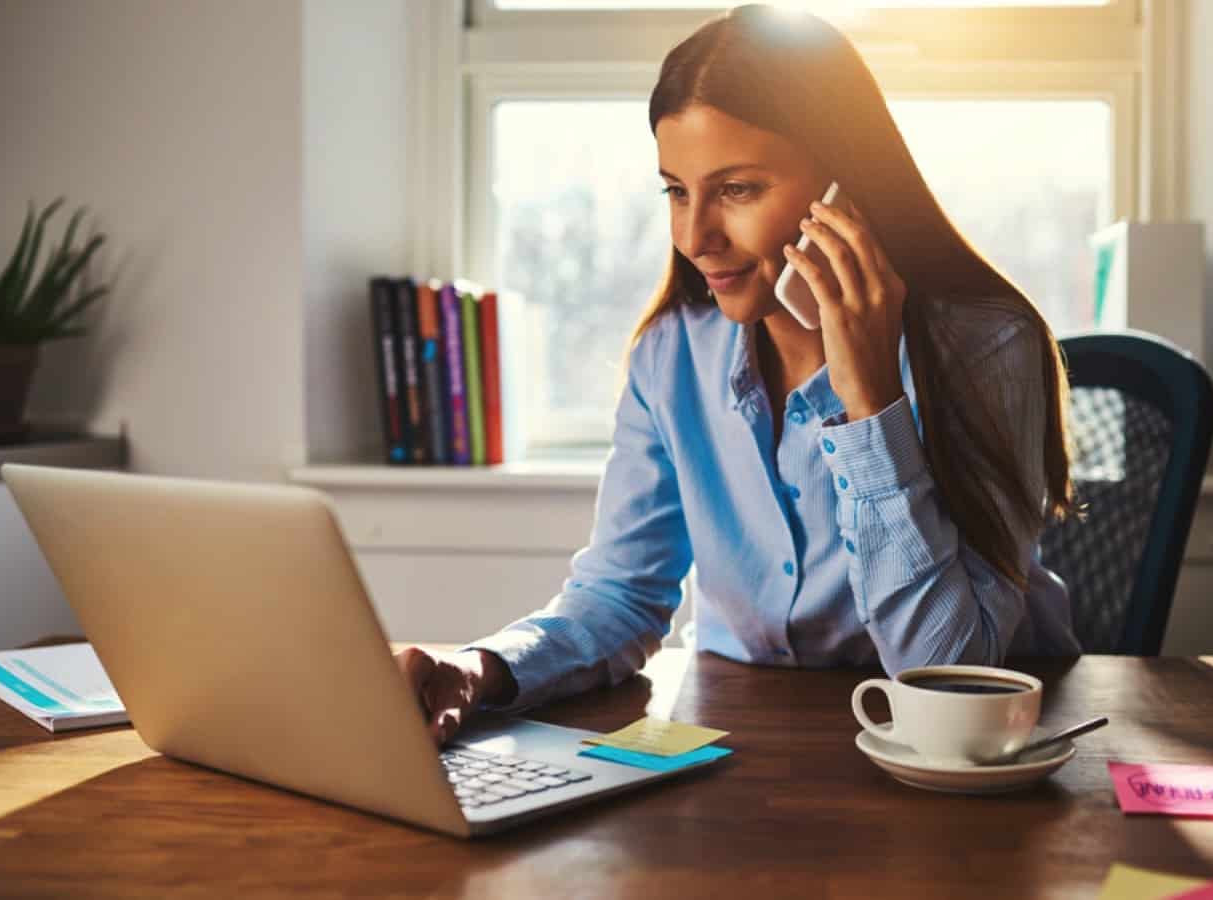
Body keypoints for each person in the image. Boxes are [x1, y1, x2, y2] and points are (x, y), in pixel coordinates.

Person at [396, 4, 1081, 745]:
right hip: (741, 746)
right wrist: (480, 667)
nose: (695, 237)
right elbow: (621, 596)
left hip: (975, 760)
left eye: (738, 190)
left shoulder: (983, 346)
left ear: (845, 189)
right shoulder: (672, 354)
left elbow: (946, 672)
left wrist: (871, 402)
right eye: (677, 191)